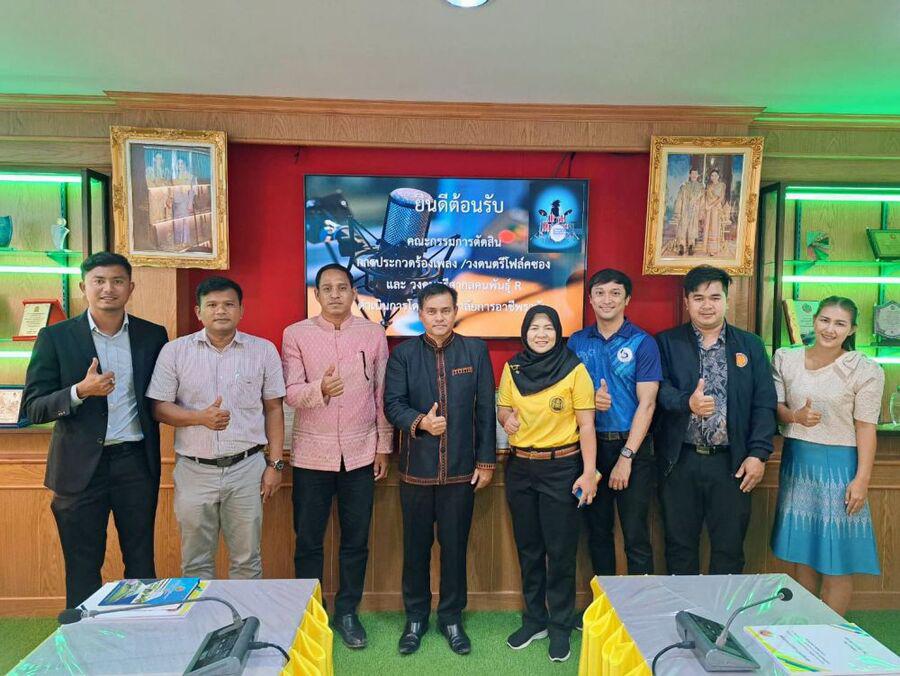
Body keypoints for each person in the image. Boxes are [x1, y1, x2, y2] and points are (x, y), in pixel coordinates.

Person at [22, 252, 168, 608]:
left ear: (130, 287)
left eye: (117, 281)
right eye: (98, 281)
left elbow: (161, 396)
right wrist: (79, 391)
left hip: (135, 463)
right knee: (83, 566)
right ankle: (84, 636)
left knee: (141, 561)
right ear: (82, 287)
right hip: (79, 469)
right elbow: (33, 407)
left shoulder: (152, 335)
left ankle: (143, 630)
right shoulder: (56, 337)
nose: (108, 289)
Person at [282, 263, 393, 649]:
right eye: (326, 288)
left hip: (361, 454)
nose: (334, 294)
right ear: (316, 295)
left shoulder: (373, 334)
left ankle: (348, 611)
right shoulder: (295, 334)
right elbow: (291, 392)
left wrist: (383, 445)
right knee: (308, 540)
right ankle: (311, 613)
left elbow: (382, 393)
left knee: (355, 540)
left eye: (342, 287)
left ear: (353, 293)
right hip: (312, 455)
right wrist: (321, 389)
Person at [384, 283, 496, 656]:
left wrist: (486, 461)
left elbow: (485, 409)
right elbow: (392, 404)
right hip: (416, 472)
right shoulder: (403, 355)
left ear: (455, 311)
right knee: (415, 550)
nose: (439, 317)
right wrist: (421, 422)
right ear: (420, 314)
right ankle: (415, 619)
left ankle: (451, 618)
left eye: (445, 310)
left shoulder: (475, 351)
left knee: (454, 549)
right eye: (431, 311)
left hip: (462, 473)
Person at [148, 276, 285, 580]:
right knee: (195, 563)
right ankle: (201, 614)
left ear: (241, 310)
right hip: (194, 470)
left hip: (247, 468)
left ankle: (243, 614)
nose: (220, 311)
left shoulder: (263, 351)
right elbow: (158, 407)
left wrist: (275, 465)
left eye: (228, 304)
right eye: (211, 305)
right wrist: (199, 418)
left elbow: (274, 409)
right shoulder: (174, 351)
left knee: (247, 560)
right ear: (198, 312)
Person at [655, 265, 776, 575]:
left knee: (729, 548)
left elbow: (764, 403)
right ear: (686, 302)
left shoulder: (749, 345)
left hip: (732, 463)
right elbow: (658, 392)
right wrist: (687, 402)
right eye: (698, 298)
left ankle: (723, 609)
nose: (706, 305)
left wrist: (758, 454)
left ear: (726, 300)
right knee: (679, 548)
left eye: (714, 297)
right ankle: (683, 607)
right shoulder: (667, 343)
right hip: (680, 461)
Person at [498, 306, 599, 663]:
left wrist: (589, 472)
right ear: (525, 333)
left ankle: (559, 626)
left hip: (562, 468)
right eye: (534, 328)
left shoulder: (574, 369)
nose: (541, 334)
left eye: (548, 328)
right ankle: (534, 620)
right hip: (520, 468)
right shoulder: (512, 368)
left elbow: (587, 425)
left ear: (558, 332)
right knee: (528, 549)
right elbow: (503, 408)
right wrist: (506, 419)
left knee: (560, 552)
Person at [771, 297, 884, 615]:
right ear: (814, 321)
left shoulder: (865, 369)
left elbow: (866, 428)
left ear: (852, 330)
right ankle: (802, 628)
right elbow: (776, 408)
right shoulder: (786, 358)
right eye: (824, 320)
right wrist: (795, 417)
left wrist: (862, 480)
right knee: (802, 554)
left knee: (837, 559)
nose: (830, 329)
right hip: (797, 464)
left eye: (839, 323)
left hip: (840, 468)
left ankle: (830, 633)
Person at [567, 269, 660, 577]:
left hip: (632, 448)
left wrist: (626, 457)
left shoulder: (642, 342)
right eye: (600, 293)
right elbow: (565, 395)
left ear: (627, 299)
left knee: (636, 536)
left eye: (615, 293)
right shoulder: (577, 342)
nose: (607, 300)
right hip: (589, 450)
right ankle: (604, 603)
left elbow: (648, 404)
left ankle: (640, 606)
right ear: (590, 299)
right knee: (597, 533)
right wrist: (589, 401)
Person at [671, 168, 704, 256]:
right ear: (689, 175)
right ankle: (681, 246)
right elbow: (679, 199)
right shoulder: (684, 186)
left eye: (695, 174)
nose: (694, 175)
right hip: (685, 210)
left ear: (698, 175)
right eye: (692, 174)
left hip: (695, 211)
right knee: (682, 228)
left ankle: (691, 246)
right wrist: (678, 212)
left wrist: (701, 212)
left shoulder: (701, 187)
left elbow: (702, 201)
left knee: (692, 228)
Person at [700, 169, 727, 256]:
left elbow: (721, 198)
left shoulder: (722, 185)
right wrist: (707, 206)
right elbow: (706, 198)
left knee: (714, 228)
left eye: (715, 175)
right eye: (712, 175)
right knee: (708, 227)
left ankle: (714, 250)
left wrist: (711, 205)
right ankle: (708, 249)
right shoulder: (709, 186)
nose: (714, 177)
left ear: (718, 176)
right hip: (709, 209)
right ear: (710, 177)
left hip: (716, 208)